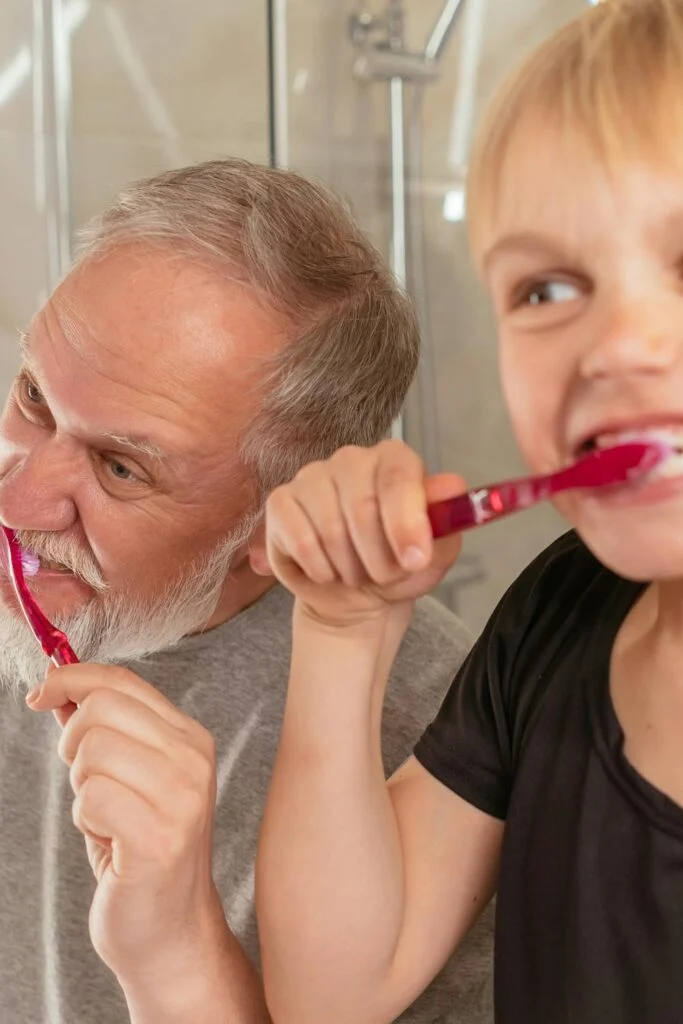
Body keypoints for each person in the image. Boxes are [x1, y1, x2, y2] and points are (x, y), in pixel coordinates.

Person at [256, 2, 683, 1022]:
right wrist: (341, 631)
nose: (615, 343)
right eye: (543, 288)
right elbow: (332, 993)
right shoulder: (560, 609)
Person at [0, 158, 494, 1023]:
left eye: (120, 467)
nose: (17, 496)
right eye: (34, 398)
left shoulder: (433, 748)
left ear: (273, 525)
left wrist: (178, 947)